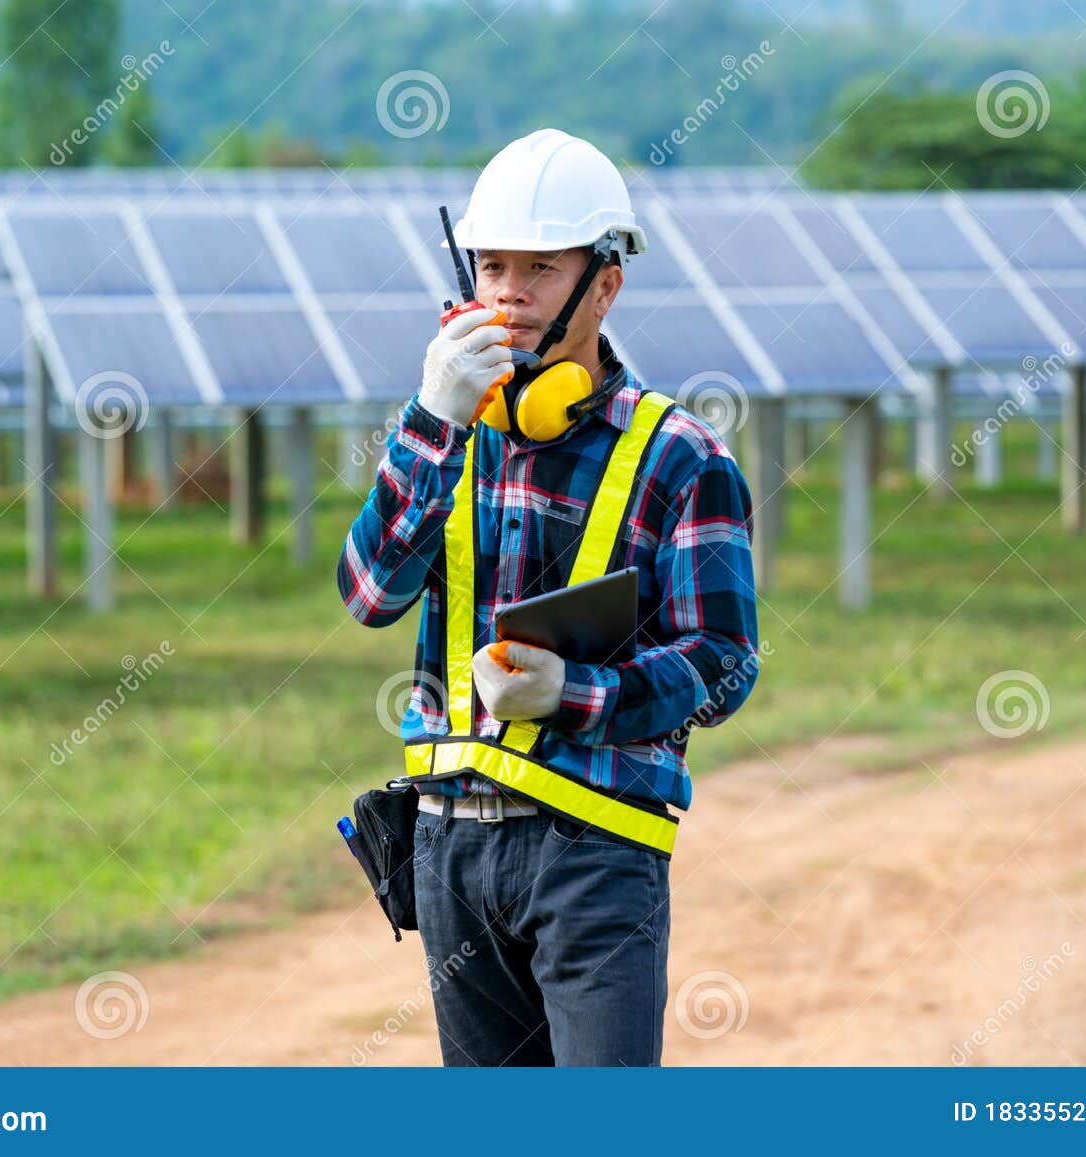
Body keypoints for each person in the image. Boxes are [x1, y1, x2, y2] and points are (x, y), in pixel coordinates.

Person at [336, 127, 760, 1066]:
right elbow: (369, 592)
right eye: (492, 266)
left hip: (596, 853)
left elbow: (725, 667)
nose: (511, 294)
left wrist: (577, 696)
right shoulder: (445, 436)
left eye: (540, 267)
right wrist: (430, 424)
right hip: (450, 850)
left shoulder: (680, 455)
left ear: (604, 285)